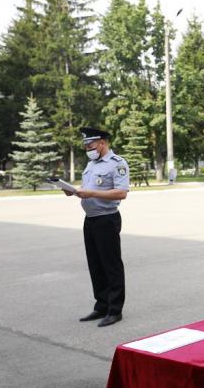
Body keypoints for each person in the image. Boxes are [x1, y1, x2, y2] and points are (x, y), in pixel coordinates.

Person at [66, 127, 130, 327]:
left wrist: (92, 194)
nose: (88, 148)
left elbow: (121, 193)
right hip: (91, 219)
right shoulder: (91, 164)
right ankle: (101, 305)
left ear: (102, 143)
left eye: (90, 145)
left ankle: (115, 310)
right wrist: (74, 191)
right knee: (95, 265)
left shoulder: (117, 163)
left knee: (111, 265)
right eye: (86, 145)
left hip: (107, 219)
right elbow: (88, 189)